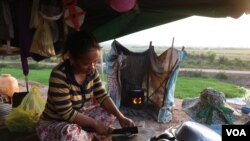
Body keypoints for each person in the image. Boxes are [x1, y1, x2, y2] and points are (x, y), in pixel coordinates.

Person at [36, 30, 135, 141]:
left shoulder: (92, 73)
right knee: (70, 134)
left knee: (110, 112)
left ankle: (87, 135)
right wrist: (95, 125)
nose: (92, 67)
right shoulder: (59, 76)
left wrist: (121, 117)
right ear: (72, 58)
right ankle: (92, 137)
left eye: (95, 61)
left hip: (77, 120)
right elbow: (67, 113)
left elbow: (103, 96)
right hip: (54, 124)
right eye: (86, 63)